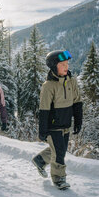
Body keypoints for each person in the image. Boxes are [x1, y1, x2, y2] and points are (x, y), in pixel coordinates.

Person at [31, 50, 82, 189]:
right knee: (59, 153)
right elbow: (44, 109)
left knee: (61, 149)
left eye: (67, 64)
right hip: (53, 126)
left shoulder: (71, 81)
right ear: (54, 66)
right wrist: (42, 130)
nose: (66, 67)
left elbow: (77, 102)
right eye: (62, 64)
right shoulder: (48, 86)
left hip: (66, 123)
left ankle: (40, 160)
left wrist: (78, 121)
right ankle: (59, 178)